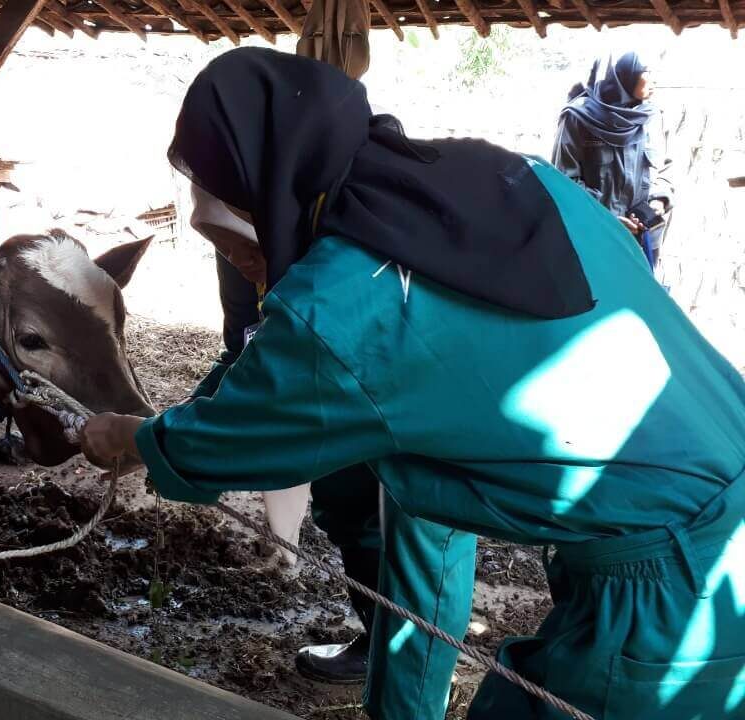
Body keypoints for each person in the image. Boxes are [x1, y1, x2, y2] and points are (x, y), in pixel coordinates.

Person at [83, 47, 745, 720]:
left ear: (269, 191)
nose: (247, 269)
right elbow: (295, 368)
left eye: (233, 245)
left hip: (678, 593)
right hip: (696, 518)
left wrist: (126, 435)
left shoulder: (343, 306)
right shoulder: (498, 182)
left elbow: (216, 448)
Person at [189, 182, 382, 685]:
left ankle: (397, 648)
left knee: (367, 505)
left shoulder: (345, 243)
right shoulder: (240, 255)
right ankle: (383, 636)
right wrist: (184, 420)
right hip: (331, 384)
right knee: (342, 503)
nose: (239, 260)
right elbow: (246, 346)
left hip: (373, 393)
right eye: (223, 247)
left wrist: (189, 444)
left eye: (248, 248)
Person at [553, 52, 675, 270]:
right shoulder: (578, 118)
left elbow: (665, 167)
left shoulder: (651, 117)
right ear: (623, 76)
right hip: (596, 239)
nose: (655, 79)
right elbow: (564, 182)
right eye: (647, 71)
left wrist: (658, 202)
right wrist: (608, 220)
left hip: (644, 241)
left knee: (639, 301)